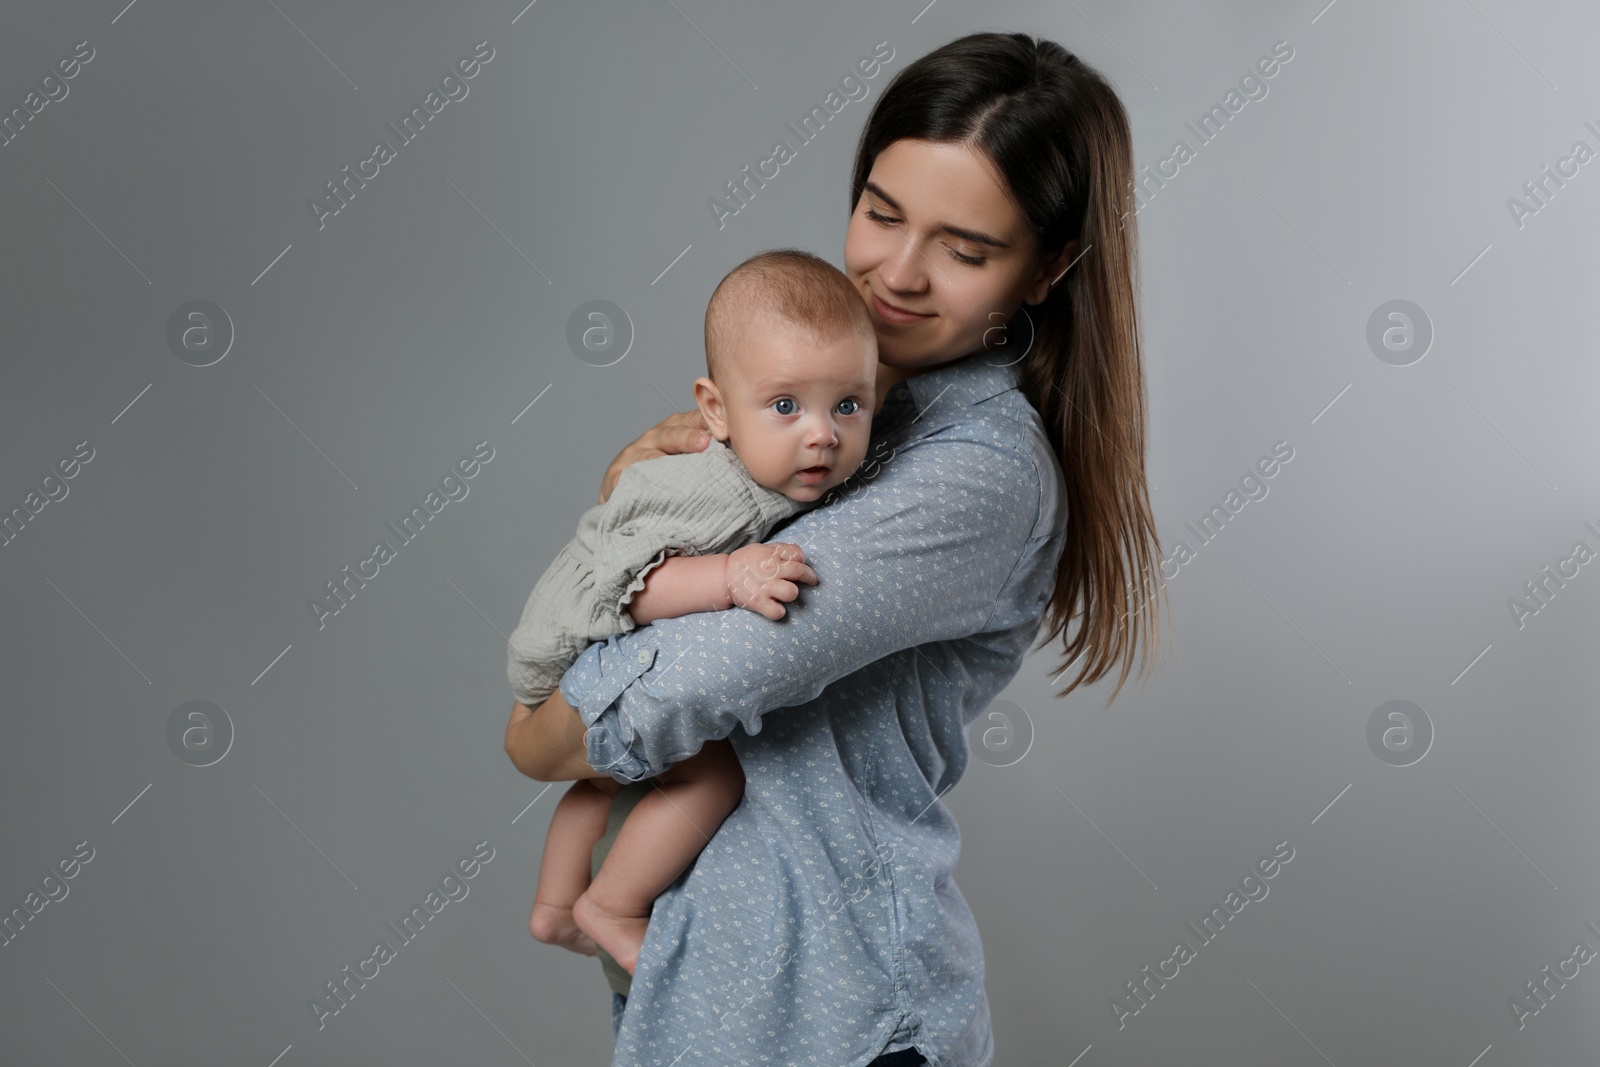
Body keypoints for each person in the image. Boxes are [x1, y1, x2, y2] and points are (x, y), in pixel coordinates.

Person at [505, 30, 1167, 1067]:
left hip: (833, 1009)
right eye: (880, 212)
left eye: (964, 247)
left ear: (1047, 269)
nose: (894, 273)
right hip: (707, 988)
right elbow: (635, 533)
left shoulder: (977, 473)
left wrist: (536, 725)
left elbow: (698, 673)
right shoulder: (829, 418)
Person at [507, 249, 879, 975]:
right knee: (712, 778)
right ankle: (608, 904)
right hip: (575, 629)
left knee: (606, 775)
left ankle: (554, 906)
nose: (822, 434)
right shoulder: (721, 494)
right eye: (784, 406)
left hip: (566, 635)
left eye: (848, 405)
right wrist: (731, 576)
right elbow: (636, 585)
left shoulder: (777, 474)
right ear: (715, 409)